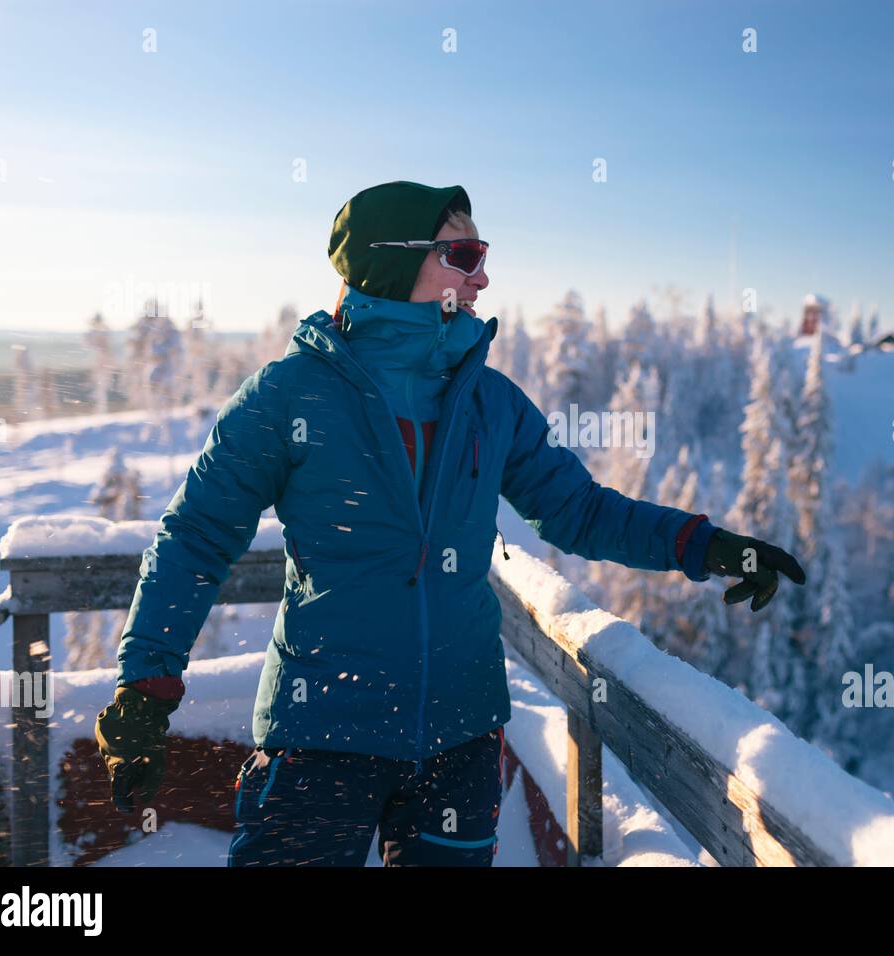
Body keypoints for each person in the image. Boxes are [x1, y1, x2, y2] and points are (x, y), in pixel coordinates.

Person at [94, 180, 806, 867]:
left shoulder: (487, 402)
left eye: (482, 254)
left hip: (458, 739)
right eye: (462, 255)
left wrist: (704, 545)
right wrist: (146, 687)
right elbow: (195, 537)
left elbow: (578, 510)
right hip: (322, 733)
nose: (483, 278)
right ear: (395, 262)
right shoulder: (289, 397)